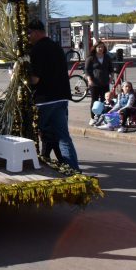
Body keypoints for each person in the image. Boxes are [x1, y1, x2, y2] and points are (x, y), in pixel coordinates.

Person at [26, 19, 79, 171]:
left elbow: (35, 79)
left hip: (44, 99)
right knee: (63, 137)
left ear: (35, 32)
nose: (28, 37)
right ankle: (73, 169)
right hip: (61, 97)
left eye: (29, 34)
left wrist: (21, 77)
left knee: (31, 134)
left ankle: (32, 167)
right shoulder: (56, 47)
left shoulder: (37, 49)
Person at [84, 41, 115, 110]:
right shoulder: (91, 58)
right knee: (94, 100)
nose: (101, 48)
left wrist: (111, 77)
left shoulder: (107, 57)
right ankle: (93, 117)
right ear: (95, 48)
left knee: (105, 100)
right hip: (94, 83)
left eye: (102, 47)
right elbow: (87, 70)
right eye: (99, 47)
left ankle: (103, 116)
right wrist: (89, 79)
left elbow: (111, 69)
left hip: (105, 82)